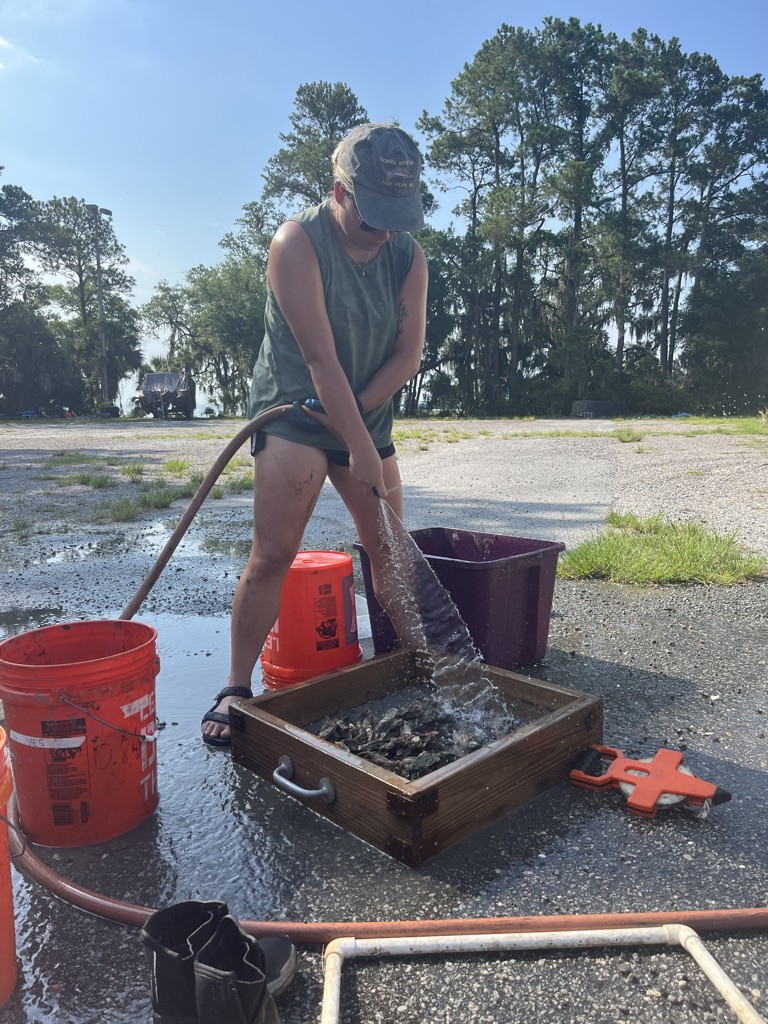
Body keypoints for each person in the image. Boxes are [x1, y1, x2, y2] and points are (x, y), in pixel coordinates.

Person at [201, 122, 429, 746]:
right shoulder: (295, 243)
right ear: (340, 192)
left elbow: (408, 354)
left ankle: (427, 665)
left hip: (366, 408)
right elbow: (320, 360)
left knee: (390, 550)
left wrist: (358, 426)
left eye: (397, 216)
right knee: (274, 552)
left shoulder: (408, 255)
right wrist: (350, 443)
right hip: (295, 411)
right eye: (374, 215)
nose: (385, 230)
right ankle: (236, 684)